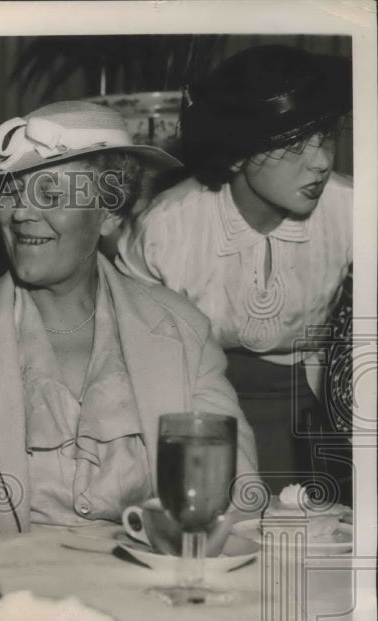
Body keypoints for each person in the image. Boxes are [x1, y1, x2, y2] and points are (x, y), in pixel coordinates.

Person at [0, 101, 258, 537]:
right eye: (11, 191)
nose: (21, 213)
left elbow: (238, 496)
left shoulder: (182, 330)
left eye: (51, 195)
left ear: (110, 213)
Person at [116, 45, 352, 496]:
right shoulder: (166, 229)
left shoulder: (355, 211)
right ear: (237, 154)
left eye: (325, 136)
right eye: (294, 143)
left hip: (315, 418)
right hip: (194, 417)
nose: (321, 161)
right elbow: (137, 367)